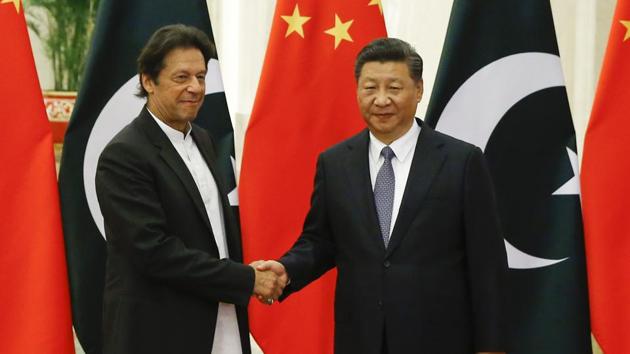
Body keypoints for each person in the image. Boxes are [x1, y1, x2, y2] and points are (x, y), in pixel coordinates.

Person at [255, 38, 507, 354]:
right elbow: (320, 241)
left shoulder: (461, 161)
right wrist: (286, 270)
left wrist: (492, 346)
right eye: (370, 88)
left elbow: (487, 264)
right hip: (361, 338)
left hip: (439, 339)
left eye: (394, 88)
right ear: (357, 90)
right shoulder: (335, 163)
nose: (381, 99)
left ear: (418, 90)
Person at [95, 24, 285, 354]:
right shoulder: (123, 154)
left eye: (201, 76)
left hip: (223, 322)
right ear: (148, 81)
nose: (195, 88)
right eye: (181, 77)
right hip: (160, 333)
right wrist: (244, 279)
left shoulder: (203, 139)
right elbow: (154, 253)